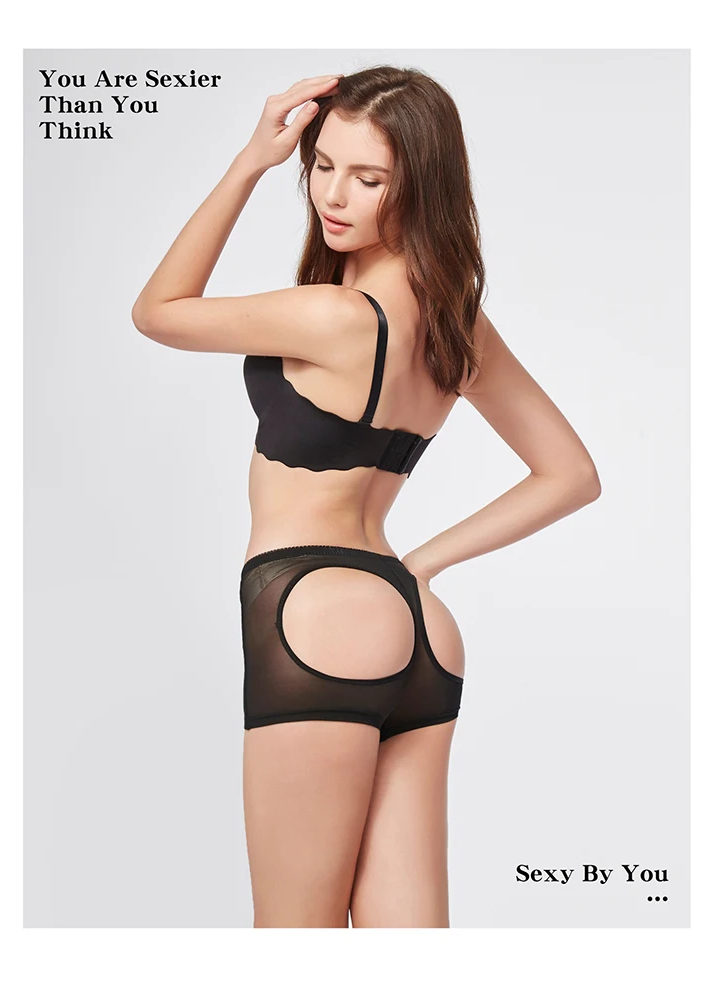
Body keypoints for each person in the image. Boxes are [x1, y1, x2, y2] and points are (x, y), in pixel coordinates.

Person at [131, 66, 601, 929]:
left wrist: (250, 161)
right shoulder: (455, 320)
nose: (332, 195)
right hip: (416, 623)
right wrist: (416, 566)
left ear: (420, 183)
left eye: (369, 177)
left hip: (313, 610)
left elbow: (157, 310)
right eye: (320, 165)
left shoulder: (333, 316)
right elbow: (571, 472)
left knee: (294, 938)